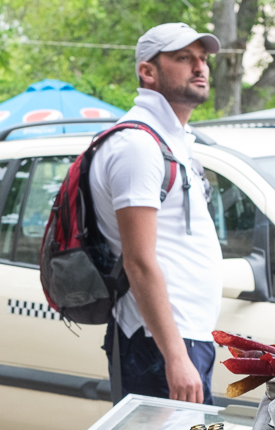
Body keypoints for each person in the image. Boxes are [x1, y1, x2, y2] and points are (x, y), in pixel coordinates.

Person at [91, 22, 225, 404]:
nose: (199, 67)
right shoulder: (137, 145)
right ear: (147, 71)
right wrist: (176, 356)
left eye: (203, 58)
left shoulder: (170, 140)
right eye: (183, 58)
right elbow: (138, 261)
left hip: (179, 338)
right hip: (158, 344)